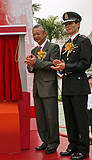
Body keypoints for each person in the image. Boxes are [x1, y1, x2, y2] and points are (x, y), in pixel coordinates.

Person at [51, 12, 92, 159]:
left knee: (81, 119)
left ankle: (83, 149)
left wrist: (66, 66)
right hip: (67, 86)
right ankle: (73, 145)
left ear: (78, 24)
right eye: (66, 24)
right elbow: (66, 65)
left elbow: (85, 63)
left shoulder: (83, 41)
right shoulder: (65, 45)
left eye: (70, 23)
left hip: (79, 86)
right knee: (69, 118)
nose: (67, 26)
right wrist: (60, 67)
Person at [24, 25, 60, 154]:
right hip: (37, 88)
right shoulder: (34, 50)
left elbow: (53, 64)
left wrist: (36, 63)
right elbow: (32, 69)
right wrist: (30, 64)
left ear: (45, 33)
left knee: (51, 117)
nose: (36, 36)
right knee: (41, 118)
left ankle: (53, 143)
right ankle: (45, 141)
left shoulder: (53, 47)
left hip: (49, 88)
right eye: (34, 35)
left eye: (38, 34)